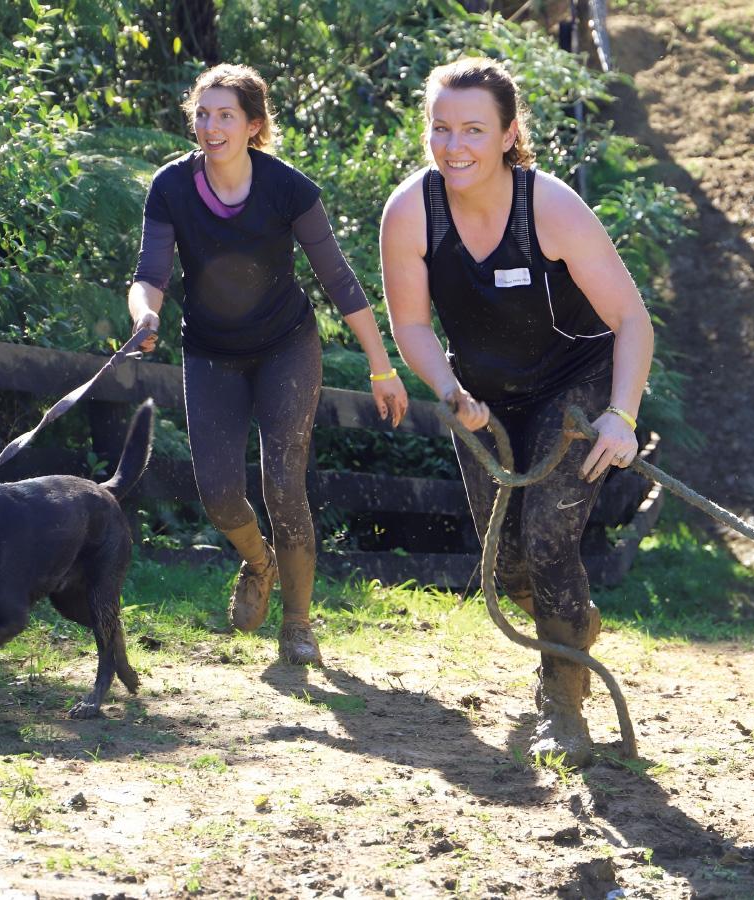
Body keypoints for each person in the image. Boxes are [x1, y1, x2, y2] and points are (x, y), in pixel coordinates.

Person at [379, 57, 653, 765]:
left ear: (508, 134)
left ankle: (561, 705)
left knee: (550, 540)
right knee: (506, 570)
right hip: (481, 398)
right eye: (441, 128)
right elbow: (410, 325)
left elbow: (630, 318)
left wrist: (620, 414)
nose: (454, 145)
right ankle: (572, 627)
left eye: (473, 129)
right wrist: (447, 389)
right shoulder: (412, 211)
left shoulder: (550, 207)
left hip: (576, 385)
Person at [127, 63, 408, 665]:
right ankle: (260, 564)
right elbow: (149, 275)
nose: (210, 126)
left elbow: (338, 278)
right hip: (210, 352)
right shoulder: (171, 187)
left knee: (284, 483)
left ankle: (298, 625)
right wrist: (143, 318)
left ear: (253, 125)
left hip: (287, 346)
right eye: (202, 114)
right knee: (220, 495)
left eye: (225, 115)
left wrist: (382, 367)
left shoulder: (289, 188)